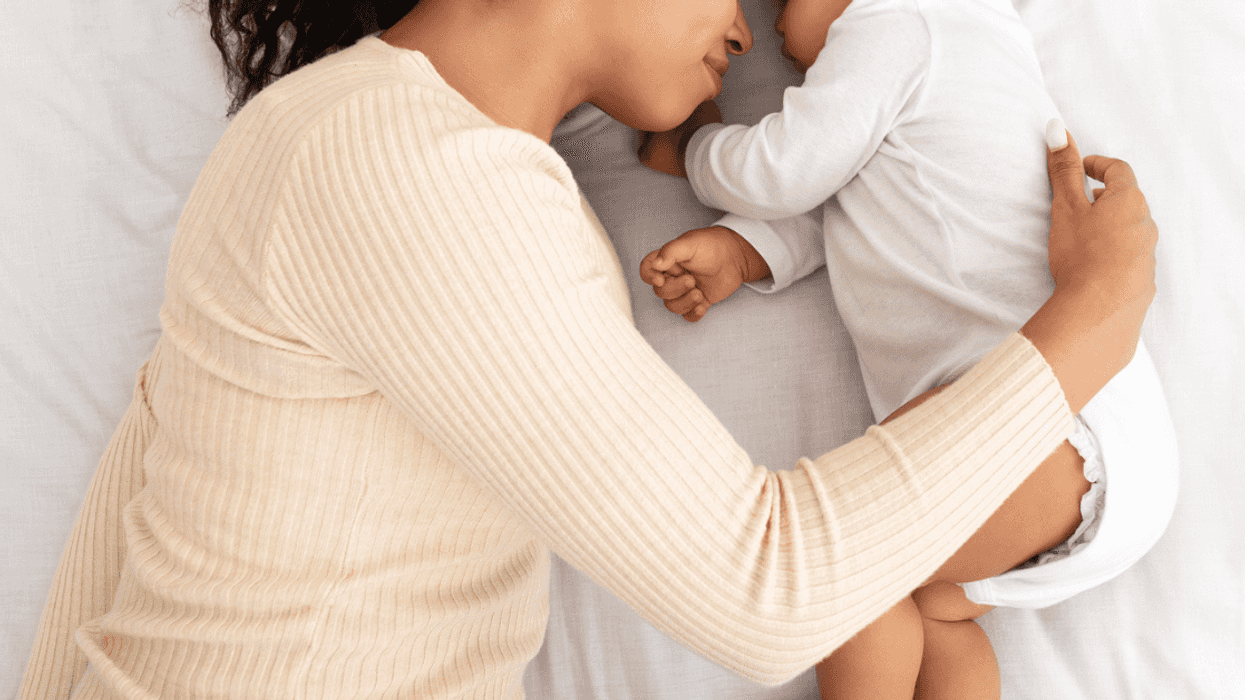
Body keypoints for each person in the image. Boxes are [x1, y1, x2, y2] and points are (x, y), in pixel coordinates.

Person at [19, 0, 1157, 697]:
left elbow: (125, 533)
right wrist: (1090, 320)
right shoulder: (394, 159)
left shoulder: (364, 145)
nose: (749, 30)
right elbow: (768, 590)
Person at [635, 0, 1176, 697]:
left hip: (1056, 430)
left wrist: (696, 146)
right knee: (931, 616)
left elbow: (782, 169)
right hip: (1086, 440)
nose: (760, 28)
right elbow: (858, 205)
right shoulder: (950, 57)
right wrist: (745, 252)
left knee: (850, 565)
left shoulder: (901, 24)